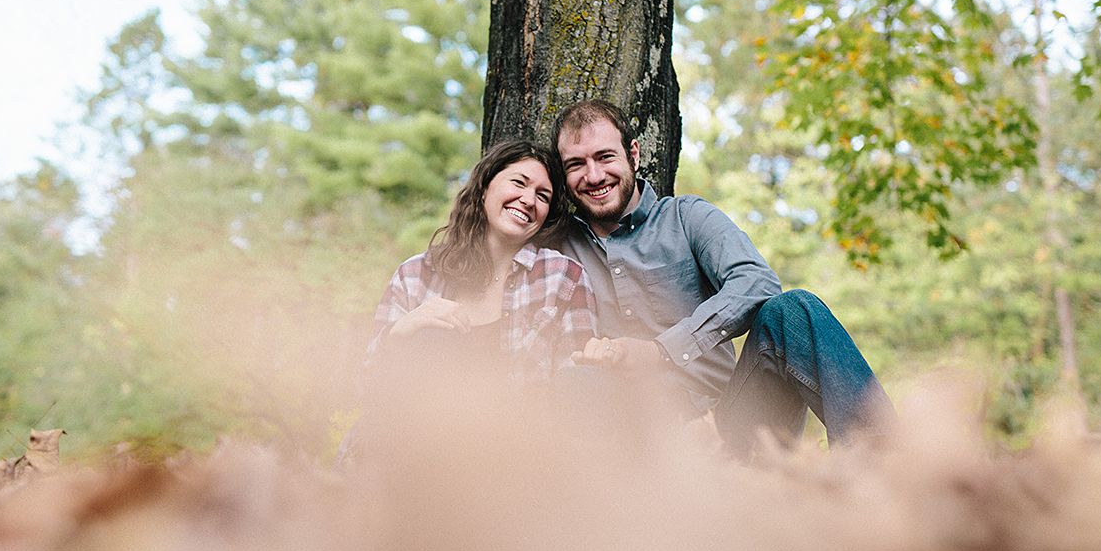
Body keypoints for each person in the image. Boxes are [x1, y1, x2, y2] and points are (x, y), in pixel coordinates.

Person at [553, 100, 893, 454]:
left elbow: (756, 282)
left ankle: (884, 465)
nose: (593, 176)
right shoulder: (556, 250)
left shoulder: (686, 218)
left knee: (794, 310)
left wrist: (662, 350)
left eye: (605, 157)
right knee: (575, 381)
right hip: (639, 438)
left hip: (733, 425)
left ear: (633, 155)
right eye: (576, 164)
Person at [366, 138, 596, 384]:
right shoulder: (414, 275)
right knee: (432, 336)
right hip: (417, 417)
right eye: (519, 182)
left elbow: (575, 383)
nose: (529, 200)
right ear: (485, 187)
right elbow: (367, 384)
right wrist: (398, 334)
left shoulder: (562, 277)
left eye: (543, 196)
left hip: (518, 420)